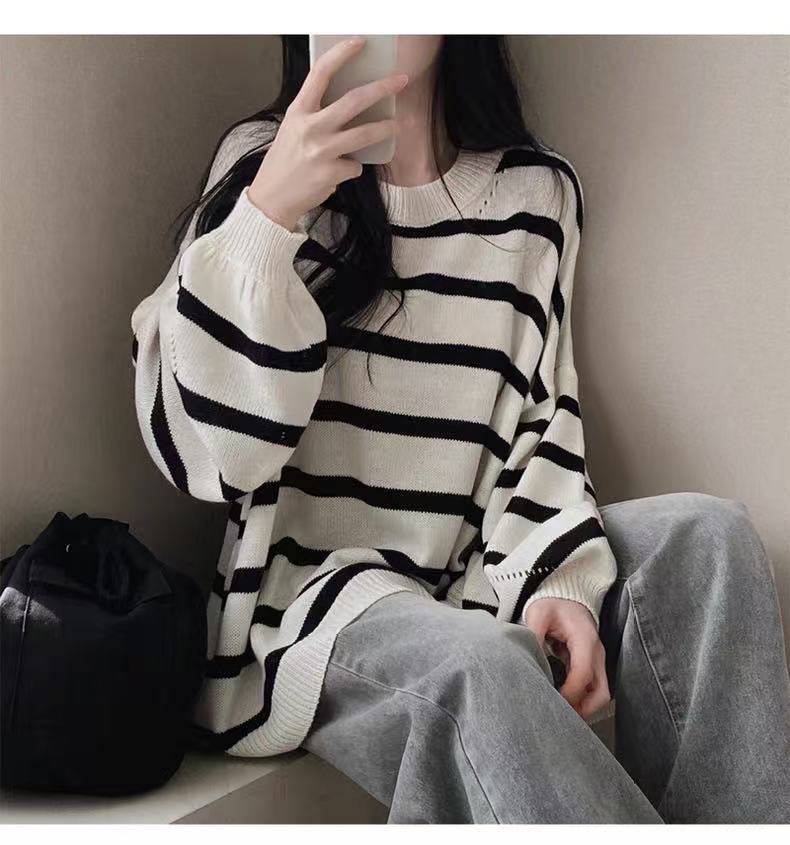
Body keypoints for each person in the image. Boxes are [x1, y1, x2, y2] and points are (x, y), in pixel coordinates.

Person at [130, 35, 790, 823]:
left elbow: (540, 419)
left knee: (709, 539)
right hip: (309, 612)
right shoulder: (264, 166)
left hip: (470, 574)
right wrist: (267, 220)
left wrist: (556, 580)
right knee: (483, 662)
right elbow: (208, 456)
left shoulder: (538, 195)